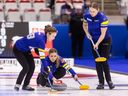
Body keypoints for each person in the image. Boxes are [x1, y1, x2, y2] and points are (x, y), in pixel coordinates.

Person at [13, 25, 57, 91]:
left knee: (32, 67)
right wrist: (46, 67)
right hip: (18, 48)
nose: (54, 38)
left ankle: (25, 85)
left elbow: (36, 49)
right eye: (53, 36)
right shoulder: (41, 41)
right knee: (26, 68)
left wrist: (45, 66)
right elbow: (42, 57)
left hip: (26, 49)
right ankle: (17, 84)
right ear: (48, 33)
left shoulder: (42, 36)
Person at [82, 2, 115, 89]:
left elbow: (103, 34)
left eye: (93, 11)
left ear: (98, 10)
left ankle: (109, 81)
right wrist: (87, 33)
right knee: (97, 61)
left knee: (103, 60)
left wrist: (97, 44)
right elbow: (84, 25)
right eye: (90, 11)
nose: (91, 13)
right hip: (94, 40)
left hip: (104, 40)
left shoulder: (103, 18)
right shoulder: (86, 16)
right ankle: (101, 82)